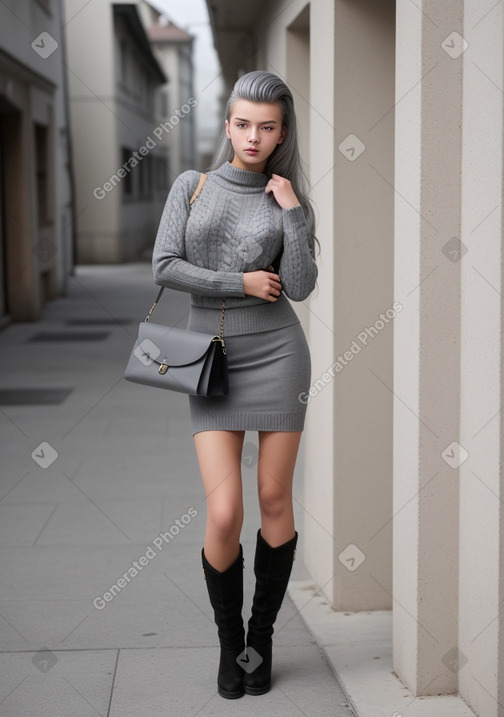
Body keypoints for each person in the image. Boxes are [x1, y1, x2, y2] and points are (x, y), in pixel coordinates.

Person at [152, 70, 318, 699]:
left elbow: (299, 286)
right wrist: (239, 283)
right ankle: (230, 644)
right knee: (224, 509)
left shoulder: (286, 195)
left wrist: (294, 217)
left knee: (274, 502)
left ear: (281, 132)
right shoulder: (191, 187)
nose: (253, 136)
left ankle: (262, 638)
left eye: (267, 126)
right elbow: (165, 266)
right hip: (209, 356)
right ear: (227, 126)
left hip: (278, 351)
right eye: (243, 124)